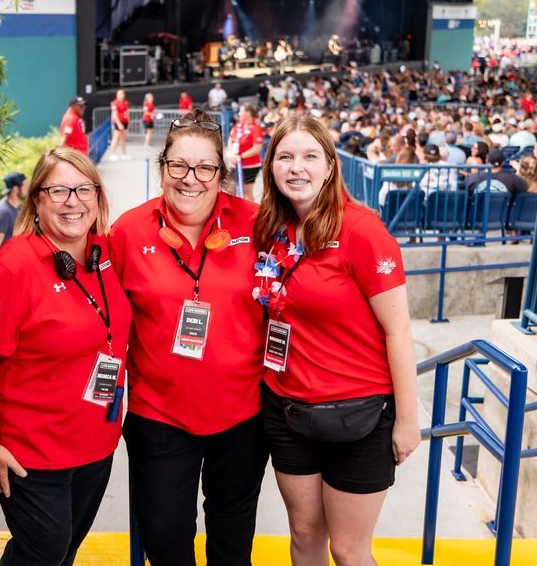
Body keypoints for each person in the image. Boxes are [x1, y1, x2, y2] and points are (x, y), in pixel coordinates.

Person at [252, 115, 420, 566]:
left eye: (310, 156)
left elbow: (398, 330)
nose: (297, 167)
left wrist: (407, 420)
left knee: (347, 550)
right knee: (304, 536)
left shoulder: (363, 232)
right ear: (271, 168)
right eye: (285, 157)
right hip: (288, 410)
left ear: (330, 166)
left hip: (360, 417)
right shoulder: (272, 230)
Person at [109, 108, 269, 566]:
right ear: (162, 169)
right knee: (164, 538)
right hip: (159, 417)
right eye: (179, 165)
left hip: (242, 417)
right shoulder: (128, 232)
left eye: (205, 168)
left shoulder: (256, 224)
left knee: (232, 540)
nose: (190, 179)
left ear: (222, 174)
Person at [0, 148, 131, 566]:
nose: (72, 201)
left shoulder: (103, 254)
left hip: (95, 445)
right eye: (58, 190)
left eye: (83, 189)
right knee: (44, 551)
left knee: (65, 548)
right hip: (31, 453)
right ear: (36, 199)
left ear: (98, 197)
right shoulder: (10, 268)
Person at [228, 103, 265, 200]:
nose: (239, 113)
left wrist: (241, 156)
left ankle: (249, 213)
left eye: (241, 111)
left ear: (248, 113)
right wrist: (233, 153)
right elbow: (231, 140)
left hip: (250, 165)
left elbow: (257, 148)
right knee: (230, 188)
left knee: (246, 191)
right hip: (235, 163)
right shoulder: (238, 126)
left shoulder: (255, 128)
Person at [0, 172, 28, 259]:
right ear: (16, 189)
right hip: (2, 266)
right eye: (25, 186)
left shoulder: (16, 208)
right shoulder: (3, 212)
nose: (27, 188)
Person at [109, 89, 130, 160]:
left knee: (123, 138)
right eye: (119, 94)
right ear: (117, 95)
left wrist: (129, 122)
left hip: (125, 122)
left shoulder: (125, 102)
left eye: (122, 94)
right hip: (118, 123)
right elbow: (114, 115)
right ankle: (112, 154)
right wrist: (119, 124)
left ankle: (124, 154)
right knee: (116, 138)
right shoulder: (114, 103)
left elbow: (127, 112)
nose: (121, 95)